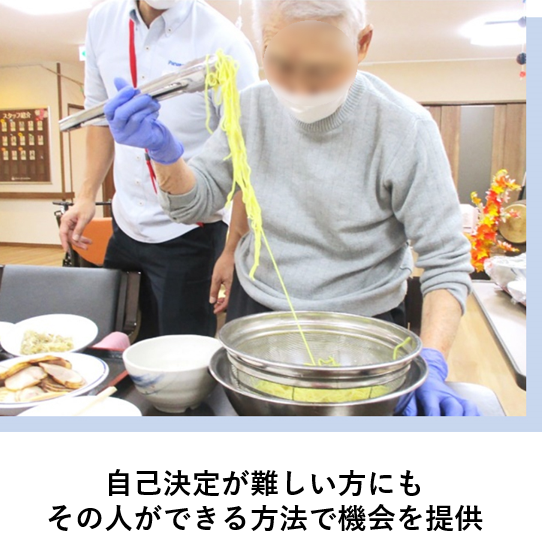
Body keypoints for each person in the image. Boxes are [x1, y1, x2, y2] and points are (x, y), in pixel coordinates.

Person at [103, 0, 479, 416]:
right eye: (281, 63)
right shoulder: (250, 108)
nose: (300, 86)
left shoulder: (404, 127)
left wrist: (434, 361)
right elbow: (195, 203)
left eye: (321, 66)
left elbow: (445, 257)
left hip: (363, 325)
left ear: (362, 43)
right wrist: (163, 152)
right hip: (258, 313)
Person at [61, 0, 258, 339]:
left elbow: (246, 156)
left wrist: (232, 249)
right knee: (113, 341)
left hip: (190, 232)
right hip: (125, 224)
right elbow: (101, 119)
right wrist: (85, 196)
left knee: (181, 354)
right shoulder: (102, 22)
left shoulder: (225, 41)